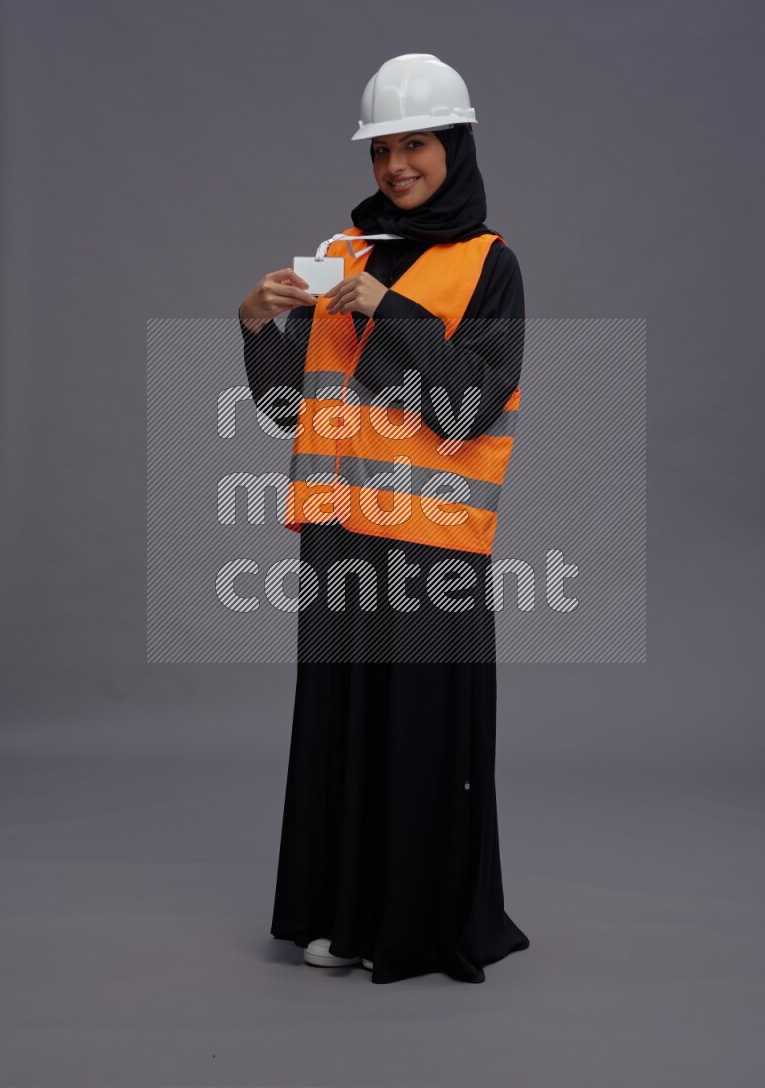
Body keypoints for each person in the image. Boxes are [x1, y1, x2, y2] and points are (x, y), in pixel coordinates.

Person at [238, 53, 530, 984]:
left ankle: (415, 928)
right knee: (343, 724)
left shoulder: (489, 264)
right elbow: (294, 407)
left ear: (454, 146)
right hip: (340, 536)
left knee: (417, 733)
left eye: (417, 144)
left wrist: (387, 309)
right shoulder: (344, 255)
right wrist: (257, 327)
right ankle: (340, 915)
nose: (397, 165)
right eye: (383, 149)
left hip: (434, 543)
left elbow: (469, 407)